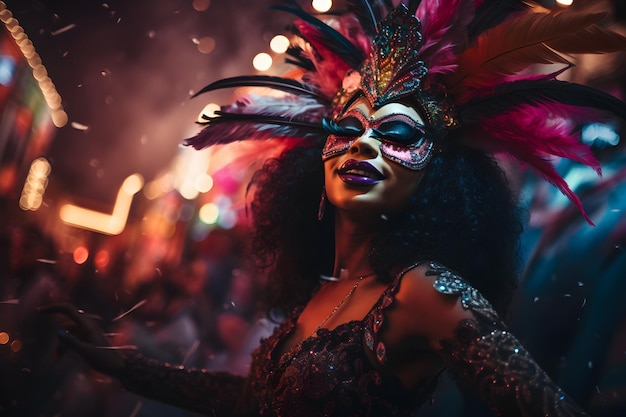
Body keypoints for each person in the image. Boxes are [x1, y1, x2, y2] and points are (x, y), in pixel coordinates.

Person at [42, 1, 626, 416]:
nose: (363, 142)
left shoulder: (426, 292)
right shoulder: (324, 287)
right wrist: (122, 365)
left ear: (442, 175)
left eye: (395, 131)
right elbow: (251, 400)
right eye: (347, 125)